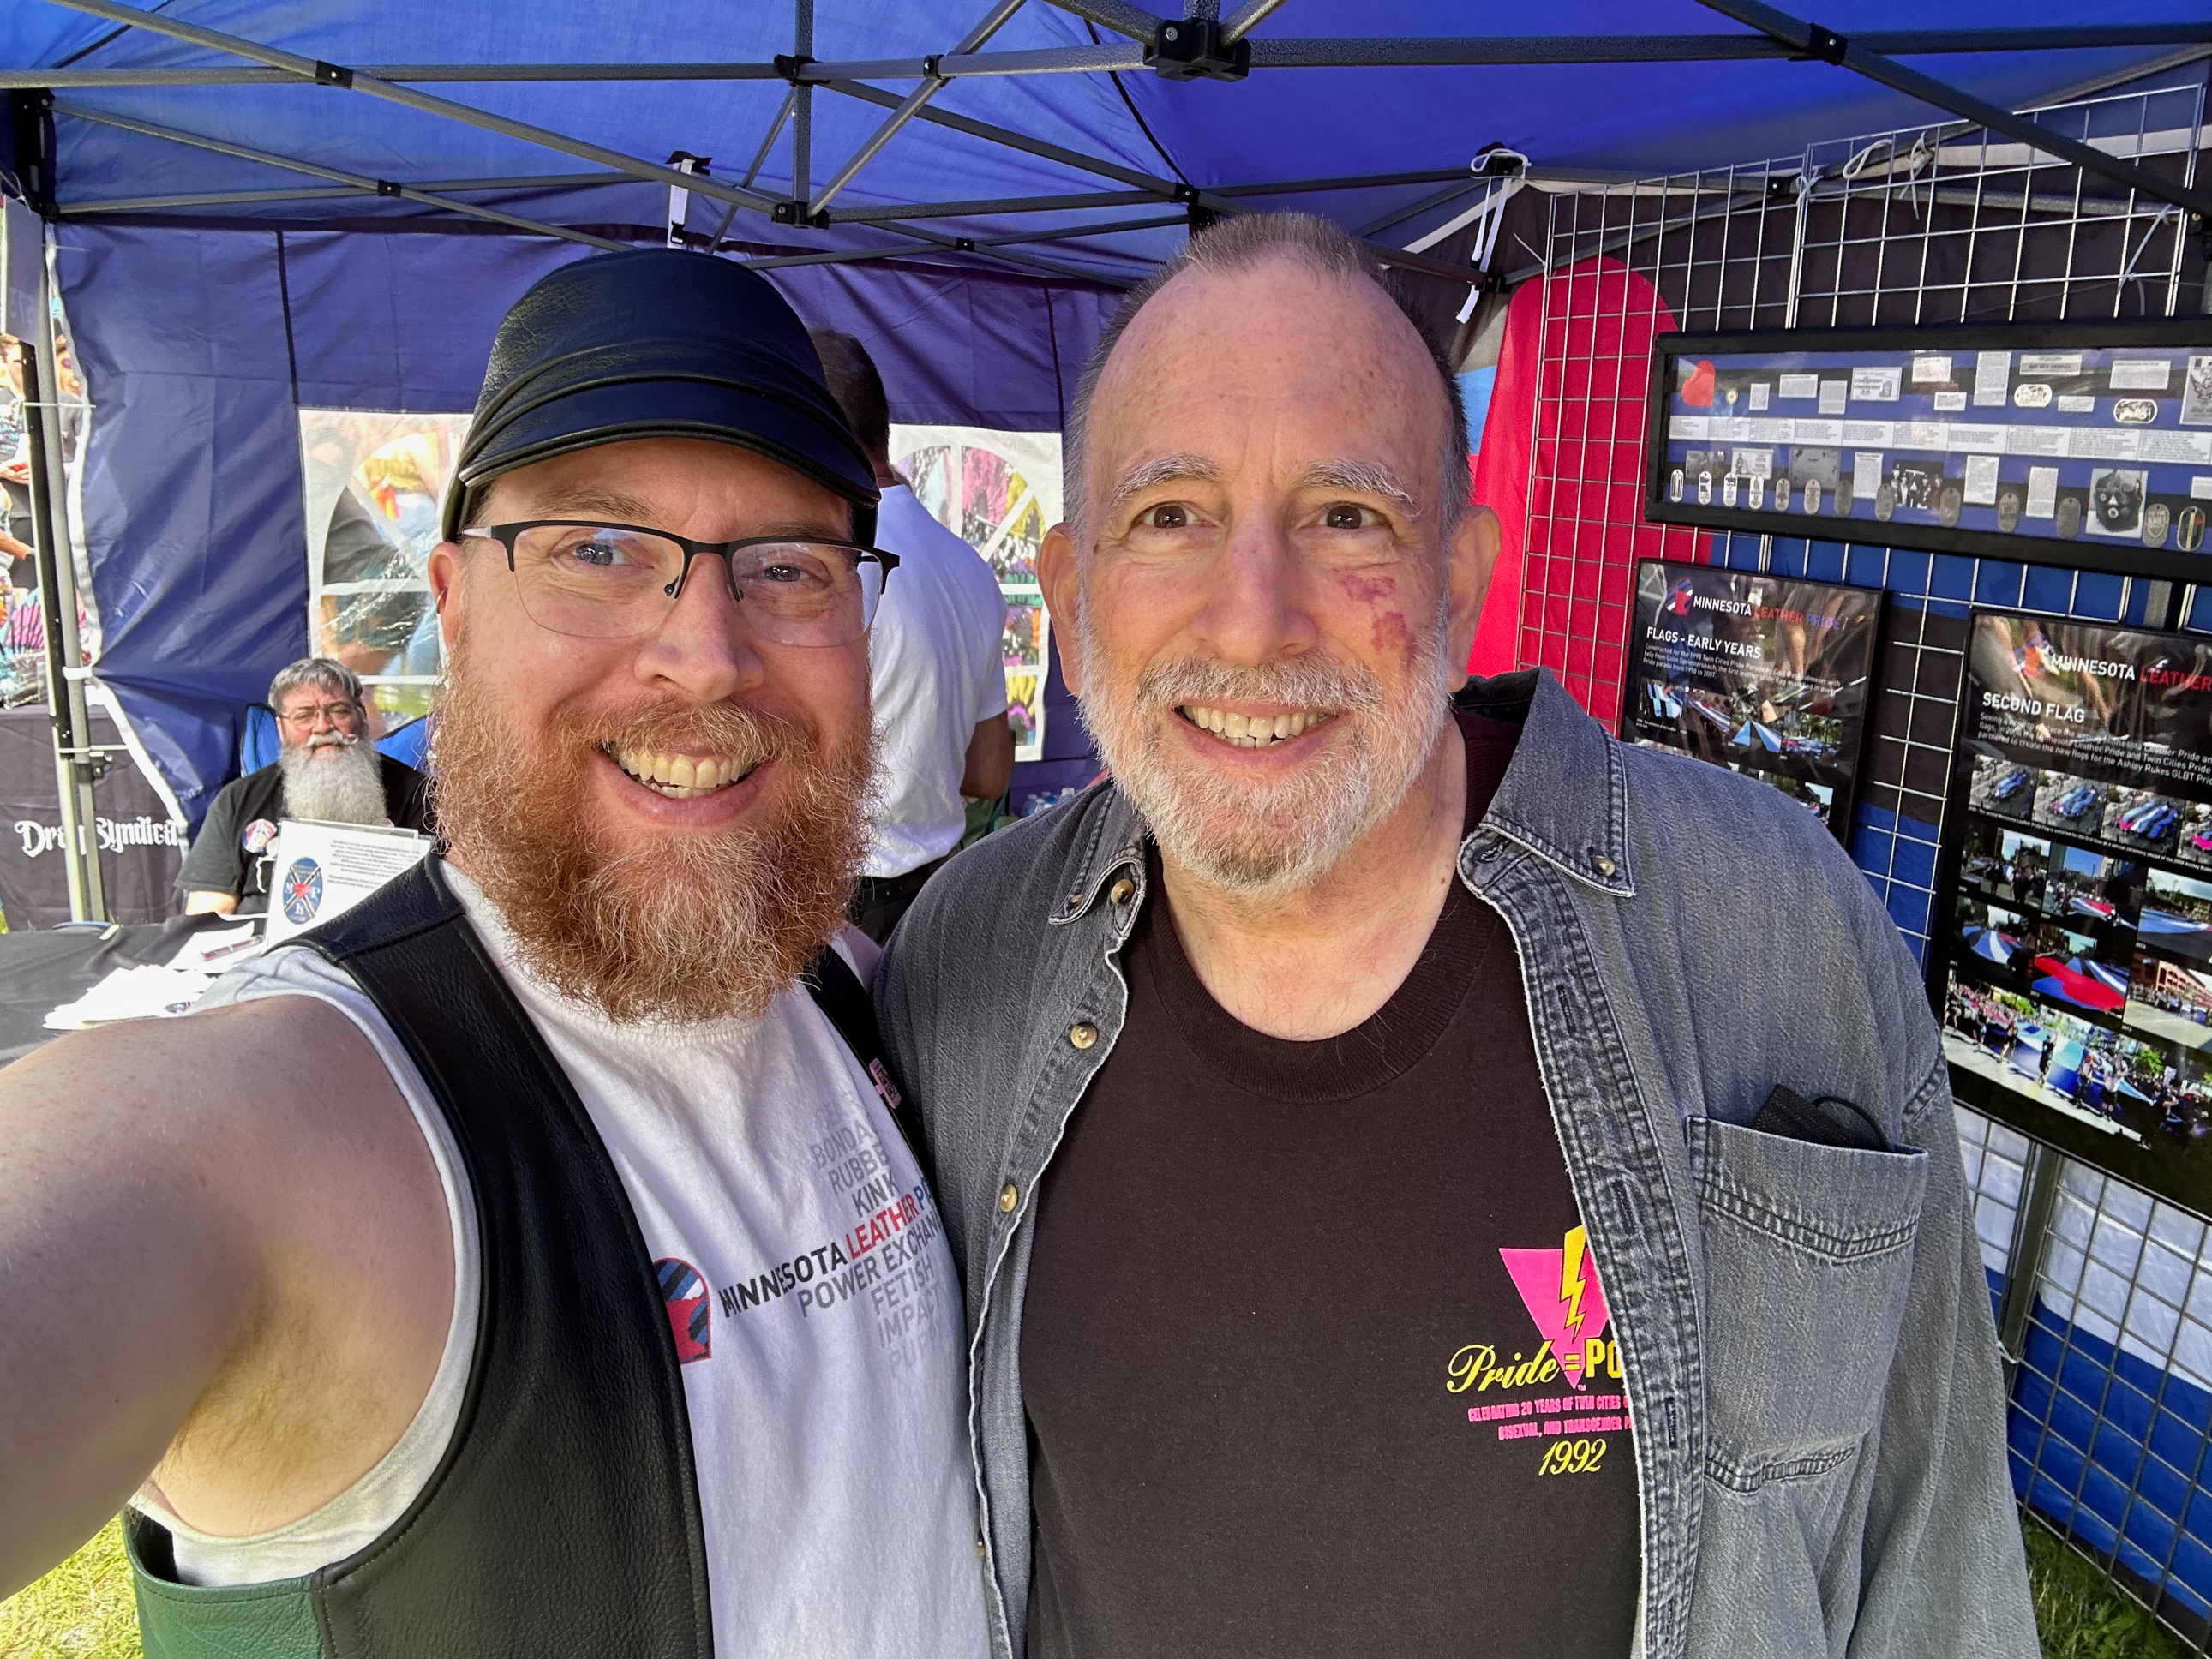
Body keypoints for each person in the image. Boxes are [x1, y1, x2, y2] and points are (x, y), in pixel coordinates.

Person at [878, 213, 2036, 1658]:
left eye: (1345, 516)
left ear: (1462, 579)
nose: (1252, 623)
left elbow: (1933, 1552)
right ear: (1067, 596)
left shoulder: (1770, 922)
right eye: (1169, 514)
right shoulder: (967, 960)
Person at [0, 249, 990, 1656]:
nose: (705, 655)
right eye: (598, 549)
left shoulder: (867, 995)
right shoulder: (289, 1118)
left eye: (788, 567)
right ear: (453, 604)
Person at [809, 328, 1011, 943]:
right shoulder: (970, 568)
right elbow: (988, 773)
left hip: (831, 901)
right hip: (932, 899)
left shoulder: (826, 569)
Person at [177, 656, 433, 916]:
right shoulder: (238, 801)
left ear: (362, 716)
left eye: (339, 711)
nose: (323, 726)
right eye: (304, 716)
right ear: (281, 729)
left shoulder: (421, 796)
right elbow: (207, 916)